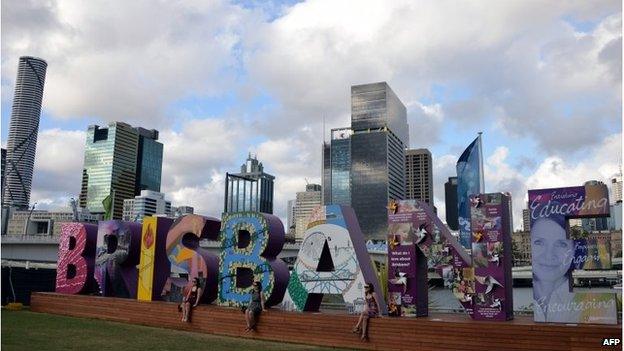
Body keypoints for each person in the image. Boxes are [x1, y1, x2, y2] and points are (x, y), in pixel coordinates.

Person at [531, 216, 579, 322]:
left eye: (561, 244)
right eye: (539, 242)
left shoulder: (586, 304)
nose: (549, 256)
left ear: (573, 251)